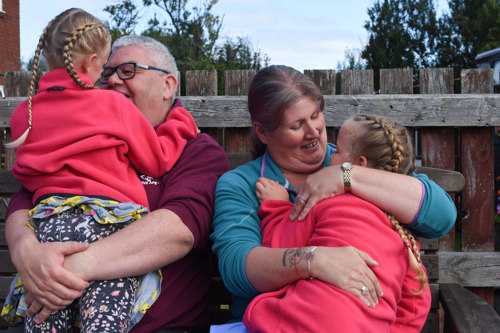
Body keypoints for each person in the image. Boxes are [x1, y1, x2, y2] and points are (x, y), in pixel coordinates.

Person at [4, 32, 230, 333]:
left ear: (168, 85)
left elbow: (178, 231)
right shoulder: (91, 140)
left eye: (128, 71)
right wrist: (25, 251)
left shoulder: (196, 150)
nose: (111, 81)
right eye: (106, 74)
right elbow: (27, 198)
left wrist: (63, 272)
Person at [210, 65, 456, 330]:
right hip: (283, 321)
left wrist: (347, 176)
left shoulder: (360, 161)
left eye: (316, 115)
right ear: (262, 132)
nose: (314, 131)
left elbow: (442, 216)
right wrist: (314, 260)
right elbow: (237, 267)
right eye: (296, 125)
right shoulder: (242, 184)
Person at [243, 115, 431, 332]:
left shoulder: (327, 202)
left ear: (358, 165)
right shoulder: (404, 233)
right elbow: (415, 304)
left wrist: (276, 206)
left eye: (338, 152)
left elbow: (278, 246)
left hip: (299, 324)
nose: (330, 157)